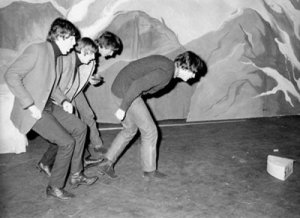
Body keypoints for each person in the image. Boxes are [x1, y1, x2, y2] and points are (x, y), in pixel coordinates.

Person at [4, 18, 98, 200]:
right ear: (62, 37)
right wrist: (29, 104)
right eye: (72, 40)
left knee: (80, 128)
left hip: (48, 105)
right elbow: (11, 74)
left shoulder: (56, 56)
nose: (73, 45)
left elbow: (51, 85)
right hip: (33, 109)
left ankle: (76, 174)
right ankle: (54, 187)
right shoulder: (37, 50)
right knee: (66, 142)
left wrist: (63, 100)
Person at [98, 51, 207, 181]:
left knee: (130, 129)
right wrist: (123, 108)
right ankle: (149, 171)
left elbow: (143, 82)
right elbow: (137, 85)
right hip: (127, 92)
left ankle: (106, 163)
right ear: (185, 67)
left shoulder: (167, 66)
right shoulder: (166, 72)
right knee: (150, 131)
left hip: (120, 88)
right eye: (193, 72)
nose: (194, 76)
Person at [37, 32, 123, 176]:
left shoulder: (92, 57)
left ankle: (94, 152)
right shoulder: (85, 52)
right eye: (112, 50)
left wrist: (91, 79)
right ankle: (47, 161)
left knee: (88, 117)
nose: (112, 54)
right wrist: (62, 99)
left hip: (75, 91)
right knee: (70, 129)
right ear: (106, 46)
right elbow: (64, 74)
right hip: (64, 92)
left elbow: (81, 75)